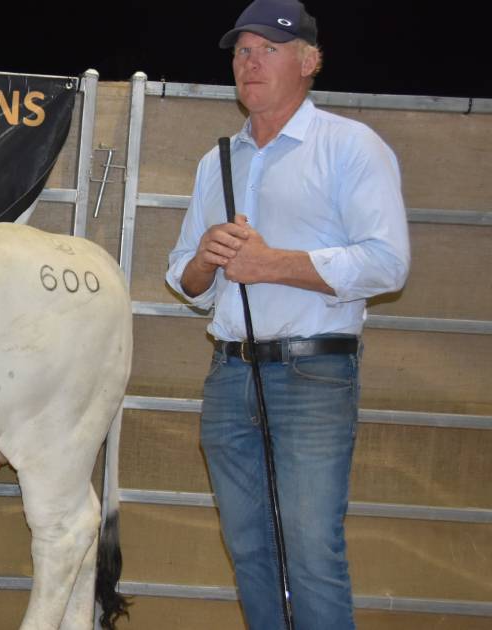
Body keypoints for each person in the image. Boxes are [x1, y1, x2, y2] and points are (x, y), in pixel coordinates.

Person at [165, 1, 411, 628]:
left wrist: (271, 263)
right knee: (249, 550)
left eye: (266, 50)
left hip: (313, 375)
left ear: (308, 62)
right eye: (240, 52)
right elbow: (185, 281)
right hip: (229, 375)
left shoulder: (351, 146)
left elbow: (388, 264)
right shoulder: (218, 159)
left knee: (309, 551)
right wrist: (206, 260)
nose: (248, 64)